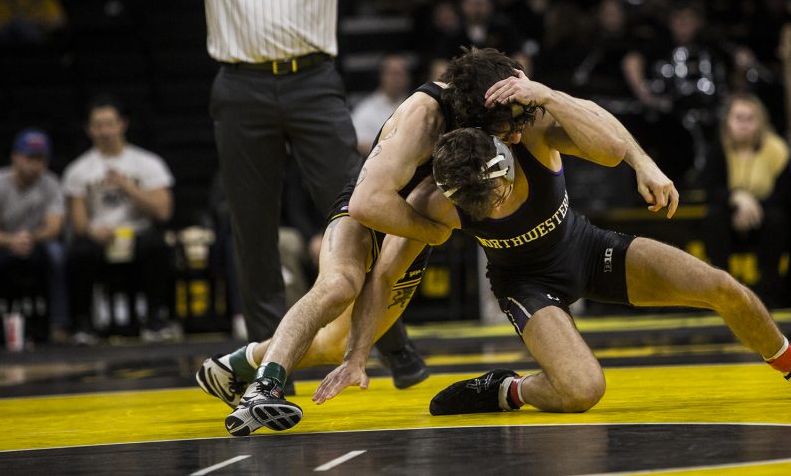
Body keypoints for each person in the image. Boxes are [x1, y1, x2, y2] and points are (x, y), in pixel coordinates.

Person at [6, 0, 537, 369]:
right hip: (241, 86)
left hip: (313, 81)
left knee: (361, 204)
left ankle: (389, 339)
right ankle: (267, 364)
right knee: (252, 227)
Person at [310, 72, 791, 418]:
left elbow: (606, 139)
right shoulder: (439, 198)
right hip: (525, 284)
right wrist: (359, 355)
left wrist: (627, 151)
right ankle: (503, 391)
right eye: (484, 202)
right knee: (582, 390)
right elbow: (384, 274)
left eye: (500, 186)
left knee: (722, 287)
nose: (498, 200)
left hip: (586, 249)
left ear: (503, 150)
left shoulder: (528, 132)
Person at [200, 48, 679, 435]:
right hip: (375, 205)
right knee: (340, 285)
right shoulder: (423, 118)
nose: (516, 132)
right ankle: (264, 388)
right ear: (471, 116)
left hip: (426, 207)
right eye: (507, 126)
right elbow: (370, 204)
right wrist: (436, 230)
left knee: (336, 343)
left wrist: (642, 162)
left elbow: (595, 122)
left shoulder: (506, 98)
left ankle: (236, 364)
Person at [62, 95, 177, 341]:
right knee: (79, 251)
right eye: (98, 125)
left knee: (157, 244)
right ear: (89, 129)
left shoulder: (148, 163)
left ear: (122, 124)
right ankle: (83, 323)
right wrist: (93, 230)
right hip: (100, 236)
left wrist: (128, 187)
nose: (104, 131)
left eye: (109, 123)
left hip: (137, 233)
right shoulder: (78, 170)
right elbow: (79, 222)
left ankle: (156, 318)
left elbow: (163, 211)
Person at [0, 129, 69, 345]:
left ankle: (59, 324)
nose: (34, 165)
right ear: (15, 156)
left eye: (40, 159)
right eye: (29, 158)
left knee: (57, 253)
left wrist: (29, 238)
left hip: (36, 244)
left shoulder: (51, 184)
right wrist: (11, 241)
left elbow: (54, 228)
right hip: (0, 245)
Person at [701, 93, 791, 305]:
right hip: (730, 215)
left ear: (760, 122)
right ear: (728, 122)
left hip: (765, 214)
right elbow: (710, 189)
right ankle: (722, 288)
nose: (744, 125)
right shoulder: (718, 148)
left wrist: (753, 207)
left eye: (750, 119)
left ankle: (769, 289)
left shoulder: (776, 148)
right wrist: (737, 198)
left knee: (777, 219)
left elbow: (786, 194)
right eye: (738, 119)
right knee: (713, 217)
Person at [351, 53, 413, 156]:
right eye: (393, 73)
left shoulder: (418, 105)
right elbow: (359, 144)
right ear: (381, 75)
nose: (397, 79)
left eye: (402, 73)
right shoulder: (365, 110)